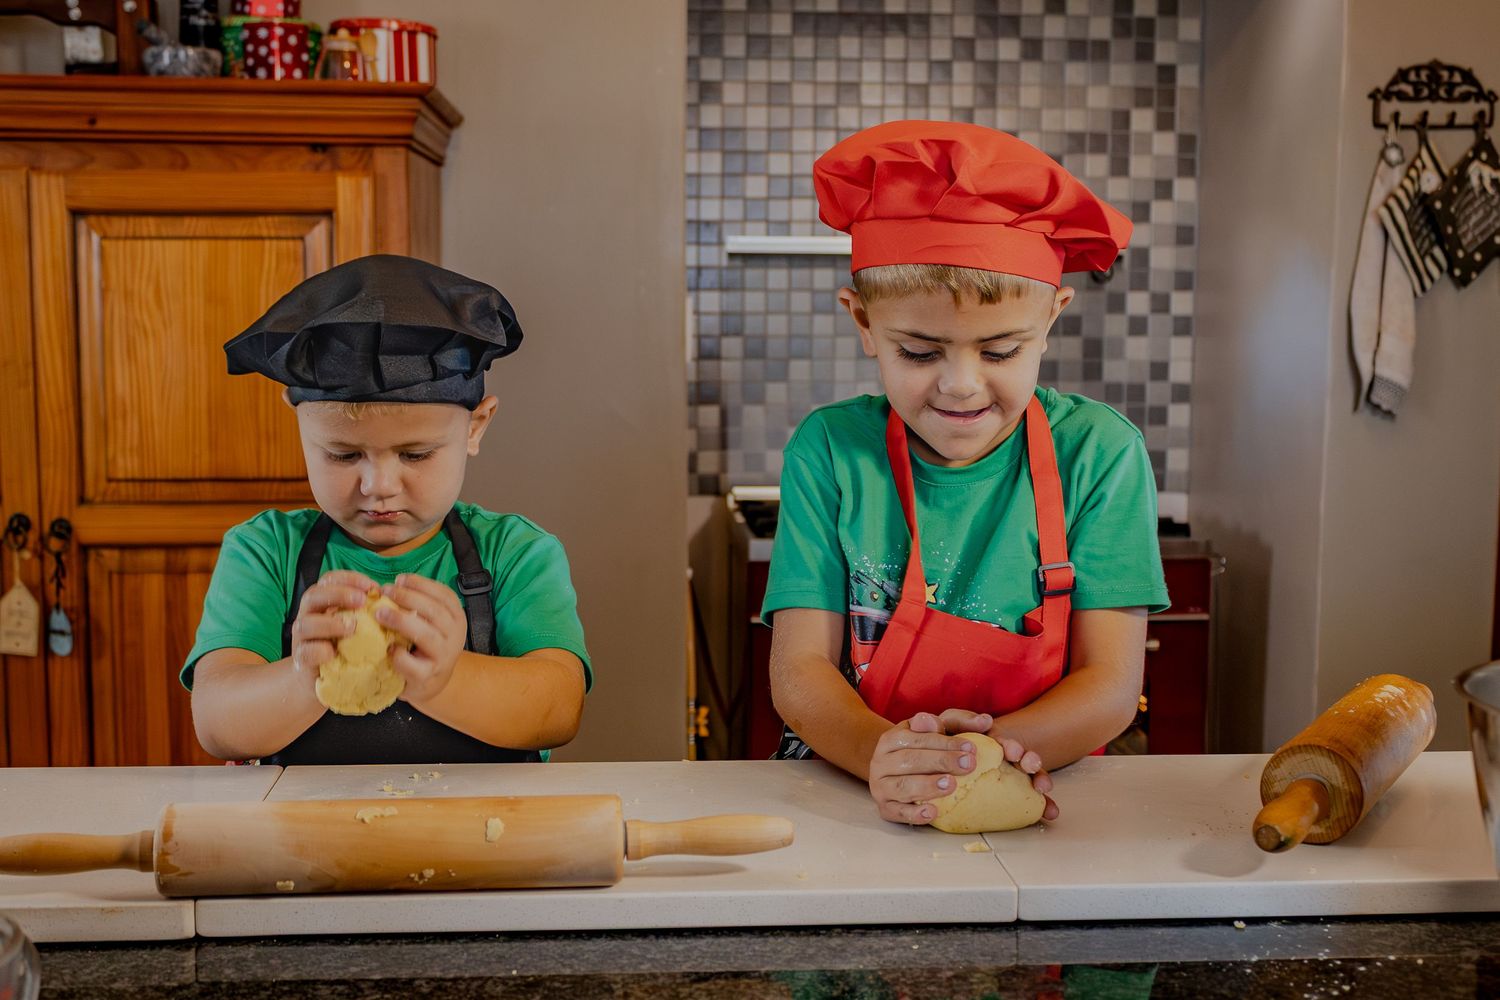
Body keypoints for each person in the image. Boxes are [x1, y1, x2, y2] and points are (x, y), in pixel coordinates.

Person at [763, 121, 1169, 825]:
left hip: (1038, 784)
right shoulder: (829, 450)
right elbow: (800, 673)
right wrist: (882, 758)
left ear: (1051, 321)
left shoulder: (1100, 453)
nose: (960, 386)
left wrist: (983, 763)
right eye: (919, 353)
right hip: (853, 791)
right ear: (863, 322)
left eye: (1002, 350)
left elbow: (1109, 684)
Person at [183, 254, 590, 765]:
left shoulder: (517, 553)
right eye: (342, 454)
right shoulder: (266, 552)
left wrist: (447, 679)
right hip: (304, 836)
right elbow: (218, 724)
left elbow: (558, 709)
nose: (378, 486)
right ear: (301, 429)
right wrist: (305, 677)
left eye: (415, 454)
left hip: (483, 836)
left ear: (475, 427)